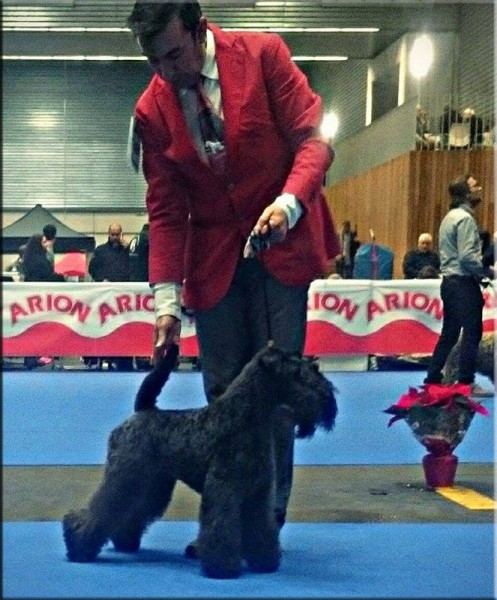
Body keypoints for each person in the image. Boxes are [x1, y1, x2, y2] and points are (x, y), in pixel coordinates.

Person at [126, 1, 340, 547]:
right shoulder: (151, 109)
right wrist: (166, 306)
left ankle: (264, 520)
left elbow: (312, 142)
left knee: (276, 391)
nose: (165, 71)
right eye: (152, 59)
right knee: (223, 398)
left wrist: (289, 204)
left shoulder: (265, 55)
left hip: (283, 239)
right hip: (214, 256)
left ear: (200, 33)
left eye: (172, 54)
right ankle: (225, 520)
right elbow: (167, 211)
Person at [424, 174, 493, 397]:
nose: (479, 189)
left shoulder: (449, 218)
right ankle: (466, 383)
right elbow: (467, 258)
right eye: (474, 187)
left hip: (449, 284)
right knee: (472, 333)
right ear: (465, 194)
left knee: (450, 333)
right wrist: (488, 271)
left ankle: (433, 378)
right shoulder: (465, 219)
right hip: (463, 284)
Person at [88, 223, 133, 371]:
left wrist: (130, 250)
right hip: (104, 297)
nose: (114, 237)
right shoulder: (100, 251)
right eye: (112, 234)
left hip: (123, 298)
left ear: (121, 234)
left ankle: (121, 360)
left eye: (117, 234)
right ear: (108, 234)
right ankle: (100, 358)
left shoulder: (127, 251)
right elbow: (92, 269)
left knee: (123, 329)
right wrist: (101, 279)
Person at [22, 234, 65, 369]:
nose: (45, 244)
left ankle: (30, 357)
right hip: (41, 298)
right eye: (43, 242)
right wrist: (61, 278)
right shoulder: (40, 260)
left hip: (30, 298)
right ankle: (35, 356)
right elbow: (48, 276)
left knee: (30, 328)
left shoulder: (27, 259)